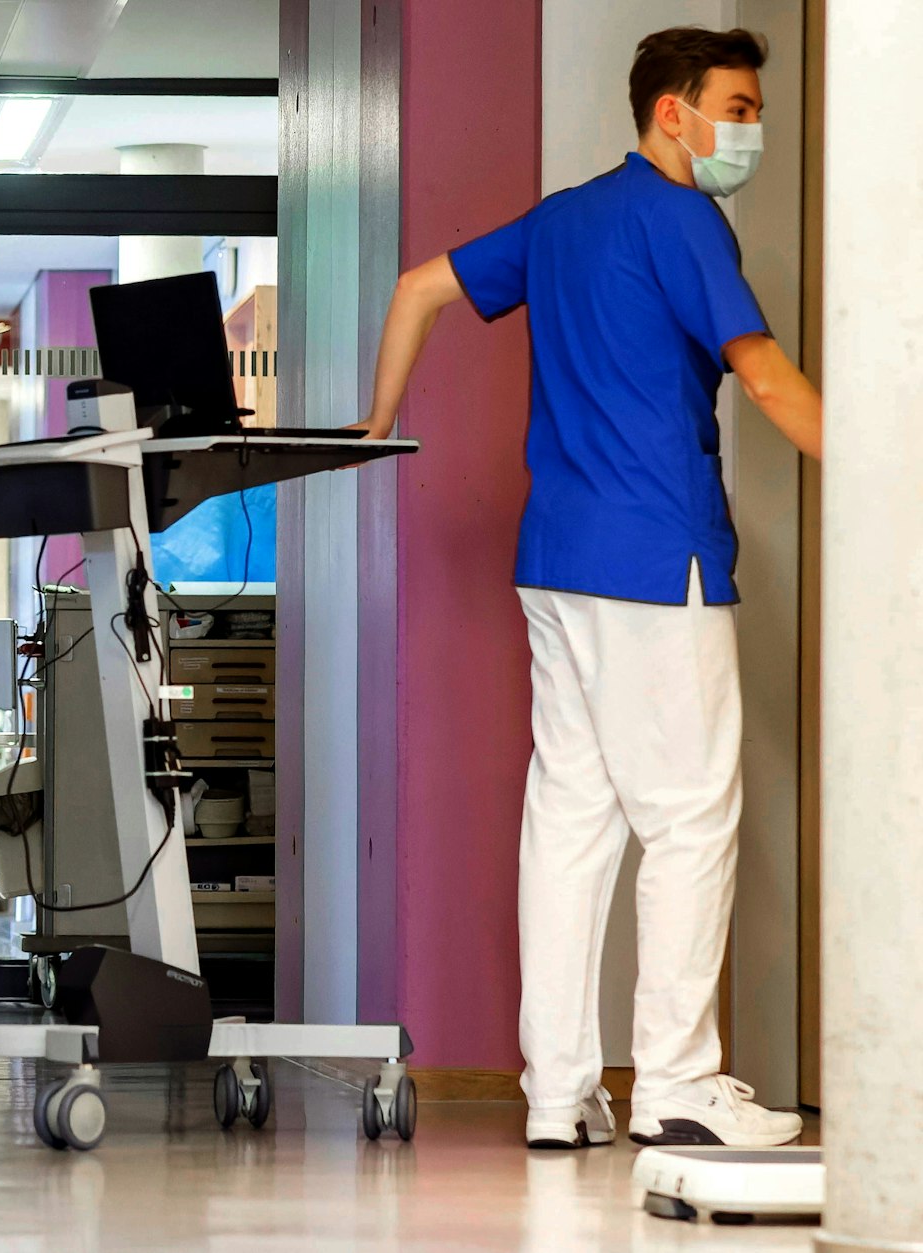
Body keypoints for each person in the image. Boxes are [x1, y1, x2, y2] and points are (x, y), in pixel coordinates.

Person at [357, 27, 821, 1150]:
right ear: (673, 110)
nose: (748, 128)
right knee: (691, 816)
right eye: (738, 106)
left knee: (570, 820)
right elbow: (757, 370)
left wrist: (377, 425)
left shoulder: (563, 220)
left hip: (555, 564)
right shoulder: (678, 218)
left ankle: (558, 1093)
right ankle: (674, 1083)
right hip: (653, 561)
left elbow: (422, 287)